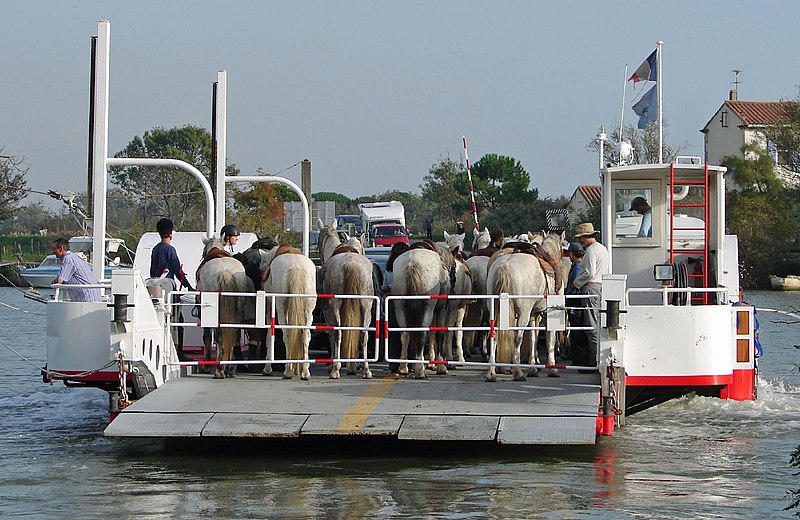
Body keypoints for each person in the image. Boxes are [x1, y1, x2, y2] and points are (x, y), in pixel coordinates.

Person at [571, 223, 610, 366]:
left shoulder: (591, 251)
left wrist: (576, 283)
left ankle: (595, 360)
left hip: (591, 287)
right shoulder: (603, 249)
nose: (580, 242)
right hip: (600, 287)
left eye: (581, 238)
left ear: (586, 237)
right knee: (597, 322)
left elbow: (589, 273)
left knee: (591, 325)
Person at [51, 238, 101, 302]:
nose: (53, 251)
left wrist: (53, 282)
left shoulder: (68, 259)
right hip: (93, 297)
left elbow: (60, 280)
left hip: (87, 299)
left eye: (54, 248)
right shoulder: (74, 257)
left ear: (61, 249)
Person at [150, 218, 193, 290]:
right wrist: (188, 286)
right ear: (170, 233)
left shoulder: (155, 249)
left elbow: (152, 270)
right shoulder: (170, 250)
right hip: (167, 286)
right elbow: (178, 271)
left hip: (154, 286)